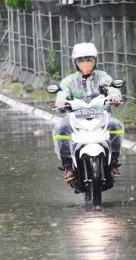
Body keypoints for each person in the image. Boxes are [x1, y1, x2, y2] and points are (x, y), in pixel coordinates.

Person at [52, 42, 124, 183]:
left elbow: (113, 88)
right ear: (76, 62)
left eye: (89, 60)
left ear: (95, 61)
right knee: (59, 129)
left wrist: (115, 97)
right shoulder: (69, 81)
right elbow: (62, 93)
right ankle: (67, 165)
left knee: (117, 126)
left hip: (102, 116)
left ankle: (114, 162)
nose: (85, 63)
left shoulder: (103, 77)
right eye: (81, 60)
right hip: (76, 117)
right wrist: (60, 102)